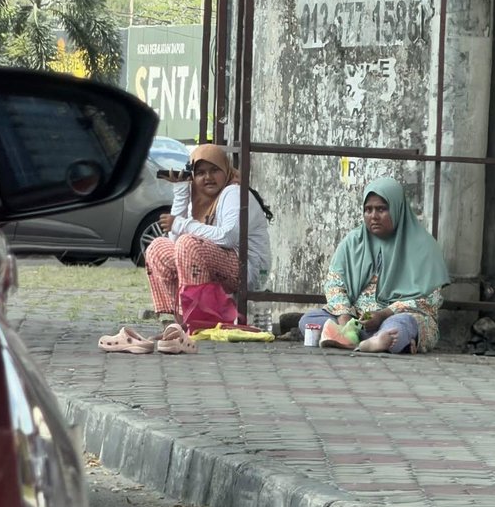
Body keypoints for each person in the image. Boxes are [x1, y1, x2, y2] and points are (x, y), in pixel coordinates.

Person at [299, 176, 450, 354]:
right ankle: (360, 340)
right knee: (308, 320)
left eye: (381, 209)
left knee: (402, 326)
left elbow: (429, 299)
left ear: (397, 209)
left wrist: (384, 314)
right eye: (368, 210)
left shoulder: (423, 246)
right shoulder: (353, 242)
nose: (374, 216)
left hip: (395, 317)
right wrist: (345, 320)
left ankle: (374, 340)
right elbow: (335, 284)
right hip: (356, 318)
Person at [145, 144, 272, 318]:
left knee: (188, 243)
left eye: (214, 170)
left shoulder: (233, 192)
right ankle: (178, 321)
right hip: (218, 261)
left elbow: (228, 237)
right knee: (157, 247)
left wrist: (181, 224)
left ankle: (200, 320)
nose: (208, 177)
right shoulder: (201, 199)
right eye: (200, 173)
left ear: (226, 170)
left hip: (247, 269)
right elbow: (175, 239)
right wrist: (182, 190)